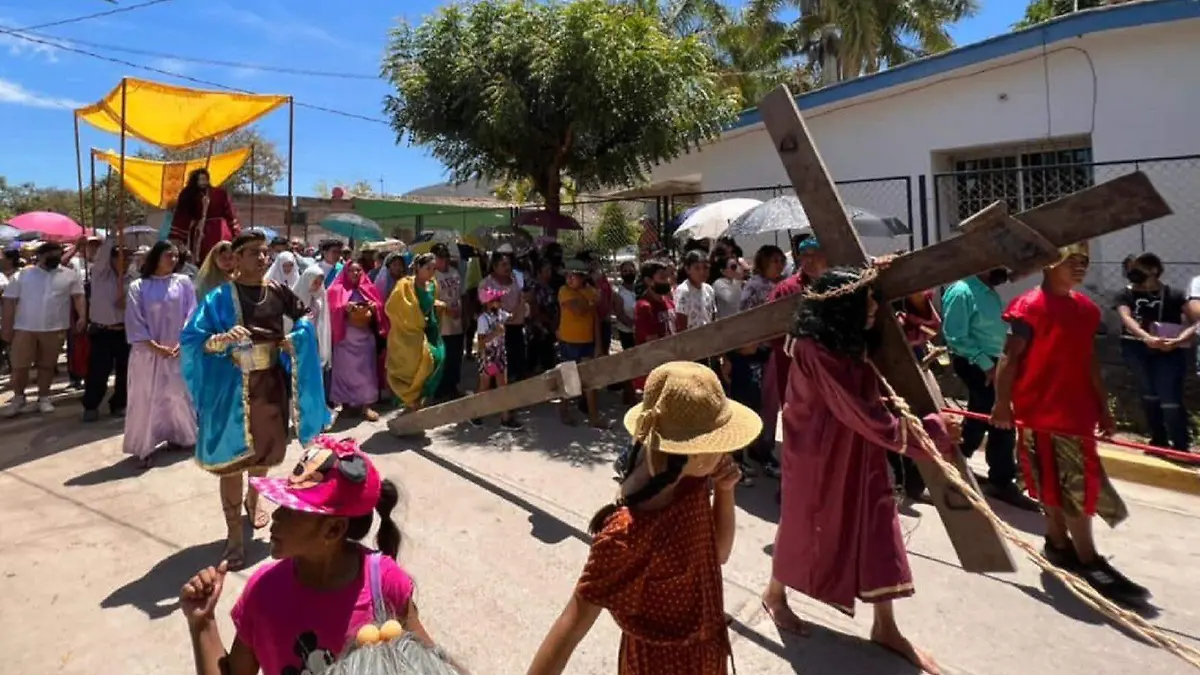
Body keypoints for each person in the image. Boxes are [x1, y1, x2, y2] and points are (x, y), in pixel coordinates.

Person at [766, 266, 955, 674]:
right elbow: (862, 413)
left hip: (857, 448)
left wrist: (918, 302)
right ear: (841, 306)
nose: (873, 308)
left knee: (877, 524)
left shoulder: (851, 335)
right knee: (803, 525)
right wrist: (932, 435)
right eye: (864, 300)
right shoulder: (815, 349)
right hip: (818, 453)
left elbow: (908, 339)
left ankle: (885, 626)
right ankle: (774, 595)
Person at [527, 361, 757, 675]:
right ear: (699, 454)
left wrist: (725, 489)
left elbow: (718, 554)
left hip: (707, 657)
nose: (726, 452)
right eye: (720, 443)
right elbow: (570, 628)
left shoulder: (693, 483)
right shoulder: (625, 536)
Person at [178, 437, 445, 674]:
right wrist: (203, 622)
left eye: (292, 511)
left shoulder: (385, 584)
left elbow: (432, 665)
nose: (276, 517)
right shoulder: (263, 592)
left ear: (333, 529)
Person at [992, 243, 1149, 603]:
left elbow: (1088, 360)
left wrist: (1103, 407)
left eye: (1085, 262)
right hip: (1038, 412)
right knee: (1048, 481)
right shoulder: (1028, 307)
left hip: (1075, 413)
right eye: (1072, 261)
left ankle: (1075, 551)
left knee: (1079, 486)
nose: (1081, 268)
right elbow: (1009, 358)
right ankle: (1072, 551)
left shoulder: (1087, 310)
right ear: (1050, 265)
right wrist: (1002, 403)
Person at [181, 231, 331, 570]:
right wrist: (220, 339)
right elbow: (192, 338)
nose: (262, 258)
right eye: (253, 253)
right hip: (230, 389)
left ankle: (254, 499)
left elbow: (305, 314)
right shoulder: (219, 297)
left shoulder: (277, 291)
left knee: (262, 454)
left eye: (265, 253)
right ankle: (234, 536)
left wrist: (295, 337)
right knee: (231, 462)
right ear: (235, 258)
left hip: (269, 385)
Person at [941, 267, 1032, 509]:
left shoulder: (988, 291)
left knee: (988, 417)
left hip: (993, 362)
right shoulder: (962, 291)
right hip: (975, 362)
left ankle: (959, 461)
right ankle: (987, 474)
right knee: (991, 416)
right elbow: (955, 336)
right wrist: (986, 366)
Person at [124, 241, 198, 467]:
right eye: (169, 255)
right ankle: (144, 447)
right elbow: (135, 321)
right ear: (156, 257)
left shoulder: (183, 283)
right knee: (146, 398)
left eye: (176, 256)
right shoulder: (138, 286)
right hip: (147, 353)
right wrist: (155, 347)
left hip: (178, 350)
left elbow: (192, 313)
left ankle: (181, 436)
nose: (173, 260)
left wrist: (181, 342)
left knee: (177, 395)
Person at [1114, 252, 1194, 451]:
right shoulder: (1125, 294)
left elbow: (1195, 321)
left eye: (1138, 268)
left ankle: (1180, 444)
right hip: (1137, 349)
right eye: (1130, 269)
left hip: (1169, 350)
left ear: (1153, 270)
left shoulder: (1174, 294)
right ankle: (1158, 439)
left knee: (1170, 397)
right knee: (1148, 394)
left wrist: (1178, 340)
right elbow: (1127, 318)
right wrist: (1146, 338)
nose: (1132, 273)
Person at [1, 241, 86, 417]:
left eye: (57, 255)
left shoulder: (70, 275)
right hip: (24, 328)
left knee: (47, 365)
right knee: (20, 366)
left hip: (55, 328)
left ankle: (44, 397)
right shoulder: (23, 275)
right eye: (50, 256)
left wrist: (82, 316)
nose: (54, 259)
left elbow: (78, 297)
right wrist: (6, 328)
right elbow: (9, 302)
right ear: (39, 256)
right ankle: (18, 398)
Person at [328, 262, 388, 422]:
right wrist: (344, 308)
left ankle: (366, 406)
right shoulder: (336, 289)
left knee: (366, 371)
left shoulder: (369, 288)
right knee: (345, 372)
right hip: (345, 339)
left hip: (365, 337)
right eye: (352, 270)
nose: (355, 273)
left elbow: (381, 306)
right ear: (345, 272)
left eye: (358, 270)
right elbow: (332, 309)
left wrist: (375, 307)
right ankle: (346, 405)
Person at [386, 253, 445, 412]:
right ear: (418, 268)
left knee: (437, 357)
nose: (431, 272)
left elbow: (430, 303)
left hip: (428, 329)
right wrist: (414, 317)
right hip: (407, 333)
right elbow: (391, 308)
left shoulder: (432, 285)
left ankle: (419, 398)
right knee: (413, 366)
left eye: (434, 269)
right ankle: (410, 401)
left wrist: (437, 307)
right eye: (428, 268)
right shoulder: (404, 285)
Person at [81, 235, 131, 422]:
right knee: (98, 371)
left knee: (125, 371)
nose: (123, 261)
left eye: (127, 258)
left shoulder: (131, 279)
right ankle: (91, 405)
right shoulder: (100, 274)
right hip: (102, 331)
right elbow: (102, 257)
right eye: (119, 257)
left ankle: (119, 403)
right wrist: (112, 238)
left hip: (124, 331)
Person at [557, 260, 602, 428]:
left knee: (590, 380)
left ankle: (593, 416)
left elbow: (595, 318)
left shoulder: (589, 292)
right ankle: (564, 411)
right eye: (567, 275)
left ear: (582, 277)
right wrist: (592, 302)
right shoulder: (564, 291)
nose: (569, 279)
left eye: (573, 276)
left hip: (587, 341)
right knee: (568, 379)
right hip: (569, 341)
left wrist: (598, 344)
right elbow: (579, 310)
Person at [471, 286, 522, 430]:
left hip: (500, 355)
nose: (499, 302)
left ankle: (505, 419)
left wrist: (521, 303)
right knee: (484, 387)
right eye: (496, 300)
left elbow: (512, 317)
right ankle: (475, 414)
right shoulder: (483, 319)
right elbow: (481, 341)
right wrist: (494, 333)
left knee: (503, 387)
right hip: (488, 357)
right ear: (488, 303)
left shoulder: (500, 314)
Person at [169, 168, 241, 262]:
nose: (203, 181)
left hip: (221, 231)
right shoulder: (189, 195)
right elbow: (182, 217)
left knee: (223, 255)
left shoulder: (220, 193)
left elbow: (230, 215)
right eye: (200, 179)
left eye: (205, 179)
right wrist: (178, 239)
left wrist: (236, 234)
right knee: (203, 259)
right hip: (201, 234)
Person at [479, 250, 528, 383]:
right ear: (494, 267)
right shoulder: (486, 283)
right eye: (503, 264)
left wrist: (516, 312)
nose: (507, 267)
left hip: (517, 326)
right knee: (497, 365)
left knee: (516, 362)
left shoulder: (516, 278)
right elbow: (485, 303)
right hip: (497, 329)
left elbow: (522, 297)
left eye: (508, 264)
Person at [632, 260, 675, 392]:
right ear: (649, 281)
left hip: (671, 363)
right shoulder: (645, 307)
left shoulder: (668, 301)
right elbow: (652, 342)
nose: (667, 280)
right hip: (653, 370)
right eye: (662, 277)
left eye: (668, 276)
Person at [431, 243, 465, 401]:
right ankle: (438, 391)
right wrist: (445, 309)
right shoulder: (431, 276)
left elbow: (460, 294)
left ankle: (452, 387)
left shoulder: (455, 273)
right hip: (440, 322)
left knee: (455, 356)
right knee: (441, 357)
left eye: (444, 257)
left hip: (456, 322)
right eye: (439, 258)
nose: (442, 261)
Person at [292, 265, 332, 370]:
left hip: (315, 343)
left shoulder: (320, 298)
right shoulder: (295, 298)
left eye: (320, 283)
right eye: (315, 283)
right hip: (298, 344)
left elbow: (323, 321)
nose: (317, 286)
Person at [526, 259, 560, 375]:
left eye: (550, 270)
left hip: (548, 328)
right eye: (546, 270)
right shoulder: (535, 288)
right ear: (539, 272)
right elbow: (533, 309)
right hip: (539, 330)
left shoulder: (548, 288)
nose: (549, 273)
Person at [711, 253, 743, 322]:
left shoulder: (735, 282)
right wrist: (739, 279)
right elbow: (730, 299)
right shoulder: (718, 284)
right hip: (724, 323)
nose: (737, 269)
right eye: (733, 267)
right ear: (723, 271)